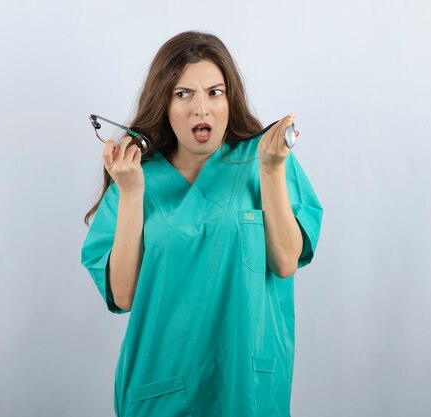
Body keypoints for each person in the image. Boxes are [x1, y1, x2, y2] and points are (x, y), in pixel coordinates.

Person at [81, 31, 323, 417]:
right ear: (164, 102)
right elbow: (124, 296)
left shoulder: (265, 158)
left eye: (214, 92)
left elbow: (285, 261)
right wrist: (129, 193)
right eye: (183, 94)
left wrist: (273, 168)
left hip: (243, 383)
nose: (201, 109)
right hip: (161, 382)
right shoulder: (138, 177)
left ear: (230, 99)